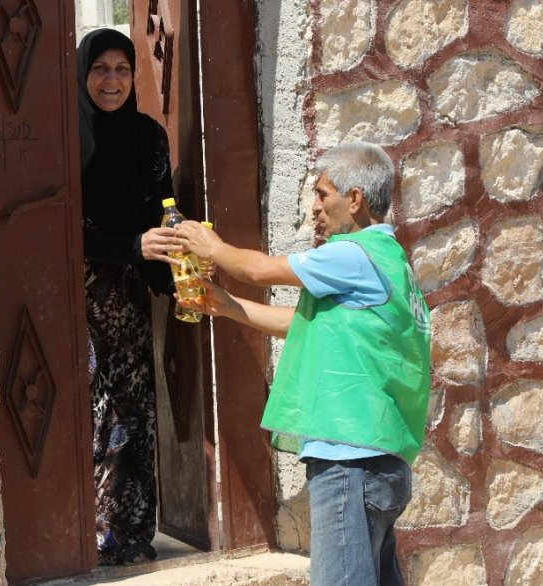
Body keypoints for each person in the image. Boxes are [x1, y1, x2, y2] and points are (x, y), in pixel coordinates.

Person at [175, 142, 431, 585]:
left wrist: (209, 245)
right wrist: (228, 306)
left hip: (350, 461)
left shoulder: (354, 253)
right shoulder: (391, 261)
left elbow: (257, 269)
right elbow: (303, 323)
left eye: (322, 194)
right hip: (382, 462)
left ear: (354, 200)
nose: (313, 208)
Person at [76, 28, 181, 566]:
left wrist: (180, 272)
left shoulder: (148, 136)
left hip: (131, 300)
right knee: (86, 414)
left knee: (131, 416)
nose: (112, 80)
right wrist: (130, 245)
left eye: (122, 69)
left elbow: (164, 206)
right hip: (77, 297)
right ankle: (85, 537)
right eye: (100, 69)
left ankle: (131, 537)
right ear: (82, 73)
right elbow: (61, 227)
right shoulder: (66, 136)